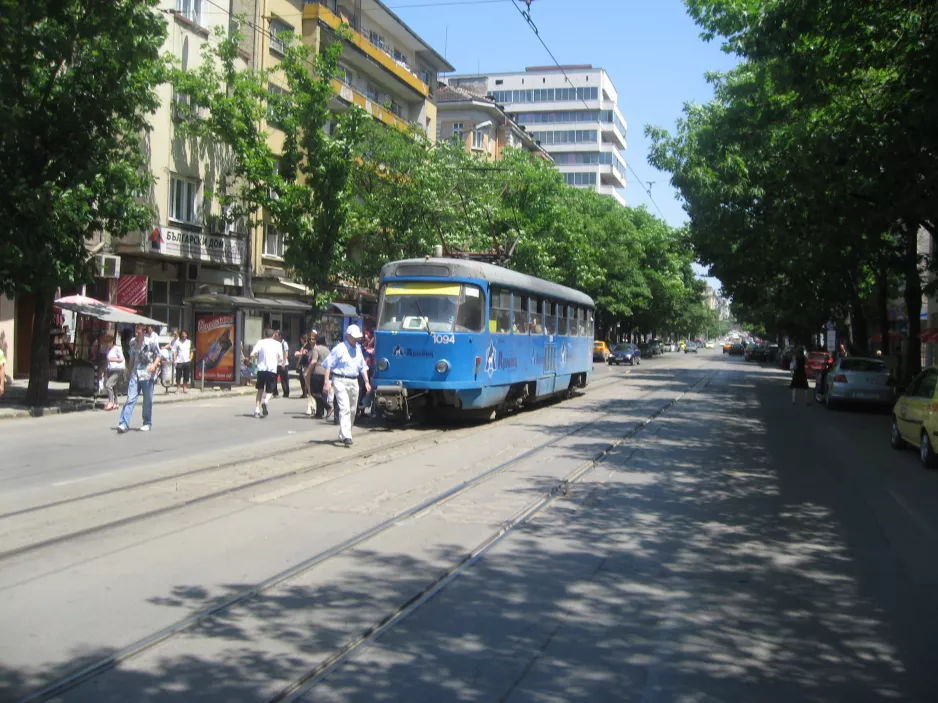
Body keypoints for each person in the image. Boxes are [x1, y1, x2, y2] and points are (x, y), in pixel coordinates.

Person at [322, 325, 371, 446]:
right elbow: (328, 365)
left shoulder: (358, 349)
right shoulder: (340, 348)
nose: (356, 340)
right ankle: (347, 436)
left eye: (357, 337)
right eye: (354, 337)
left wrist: (366, 382)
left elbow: (362, 367)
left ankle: (343, 433)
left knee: (353, 409)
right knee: (344, 408)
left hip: (354, 381)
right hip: (340, 380)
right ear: (348, 336)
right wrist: (326, 382)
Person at [117, 324, 161, 433]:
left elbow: (158, 355)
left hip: (147, 374)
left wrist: (153, 365)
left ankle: (147, 423)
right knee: (130, 399)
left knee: (147, 401)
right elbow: (132, 357)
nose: (136, 331)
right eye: (136, 328)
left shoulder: (150, 342)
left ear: (144, 331)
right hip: (135, 374)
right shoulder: (132, 342)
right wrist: (129, 371)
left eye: (139, 329)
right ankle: (123, 423)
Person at [250, 328, 283, 418]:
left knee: (260, 389)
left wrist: (256, 357)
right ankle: (266, 401)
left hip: (261, 369)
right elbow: (281, 357)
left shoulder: (260, 342)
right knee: (271, 389)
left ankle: (257, 409)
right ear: (273, 335)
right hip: (271, 369)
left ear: (265, 334)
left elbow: (252, 353)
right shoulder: (278, 344)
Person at [305, 330, 331, 418]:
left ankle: (328, 407)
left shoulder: (317, 349)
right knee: (320, 393)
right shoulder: (327, 350)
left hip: (317, 372)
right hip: (326, 373)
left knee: (314, 393)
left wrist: (307, 371)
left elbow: (314, 361)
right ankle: (319, 413)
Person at [103, 334, 125, 410]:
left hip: (117, 370)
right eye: (106, 342)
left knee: (108, 385)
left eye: (109, 342)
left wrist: (112, 359)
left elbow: (121, 359)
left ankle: (111, 402)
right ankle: (116, 403)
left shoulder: (117, 348)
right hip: (110, 369)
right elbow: (108, 362)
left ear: (112, 341)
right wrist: (105, 370)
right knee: (114, 386)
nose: (107, 344)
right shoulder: (108, 350)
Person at [273, 330, 290, 398]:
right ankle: (275, 392)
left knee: (284, 379)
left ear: (280, 336)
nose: (275, 336)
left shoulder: (284, 343)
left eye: (276, 335)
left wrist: (283, 362)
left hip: (283, 364)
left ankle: (286, 393)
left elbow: (286, 353)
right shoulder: (275, 343)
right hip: (276, 363)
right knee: (274, 378)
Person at [294, 334, 310, 399]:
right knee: (304, 379)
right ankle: (305, 392)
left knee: (303, 379)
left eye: (301, 339)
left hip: (304, 365)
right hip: (306, 364)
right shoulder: (306, 346)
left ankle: (305, 393)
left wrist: (297, 354)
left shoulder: (305, 347)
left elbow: (301, 355)